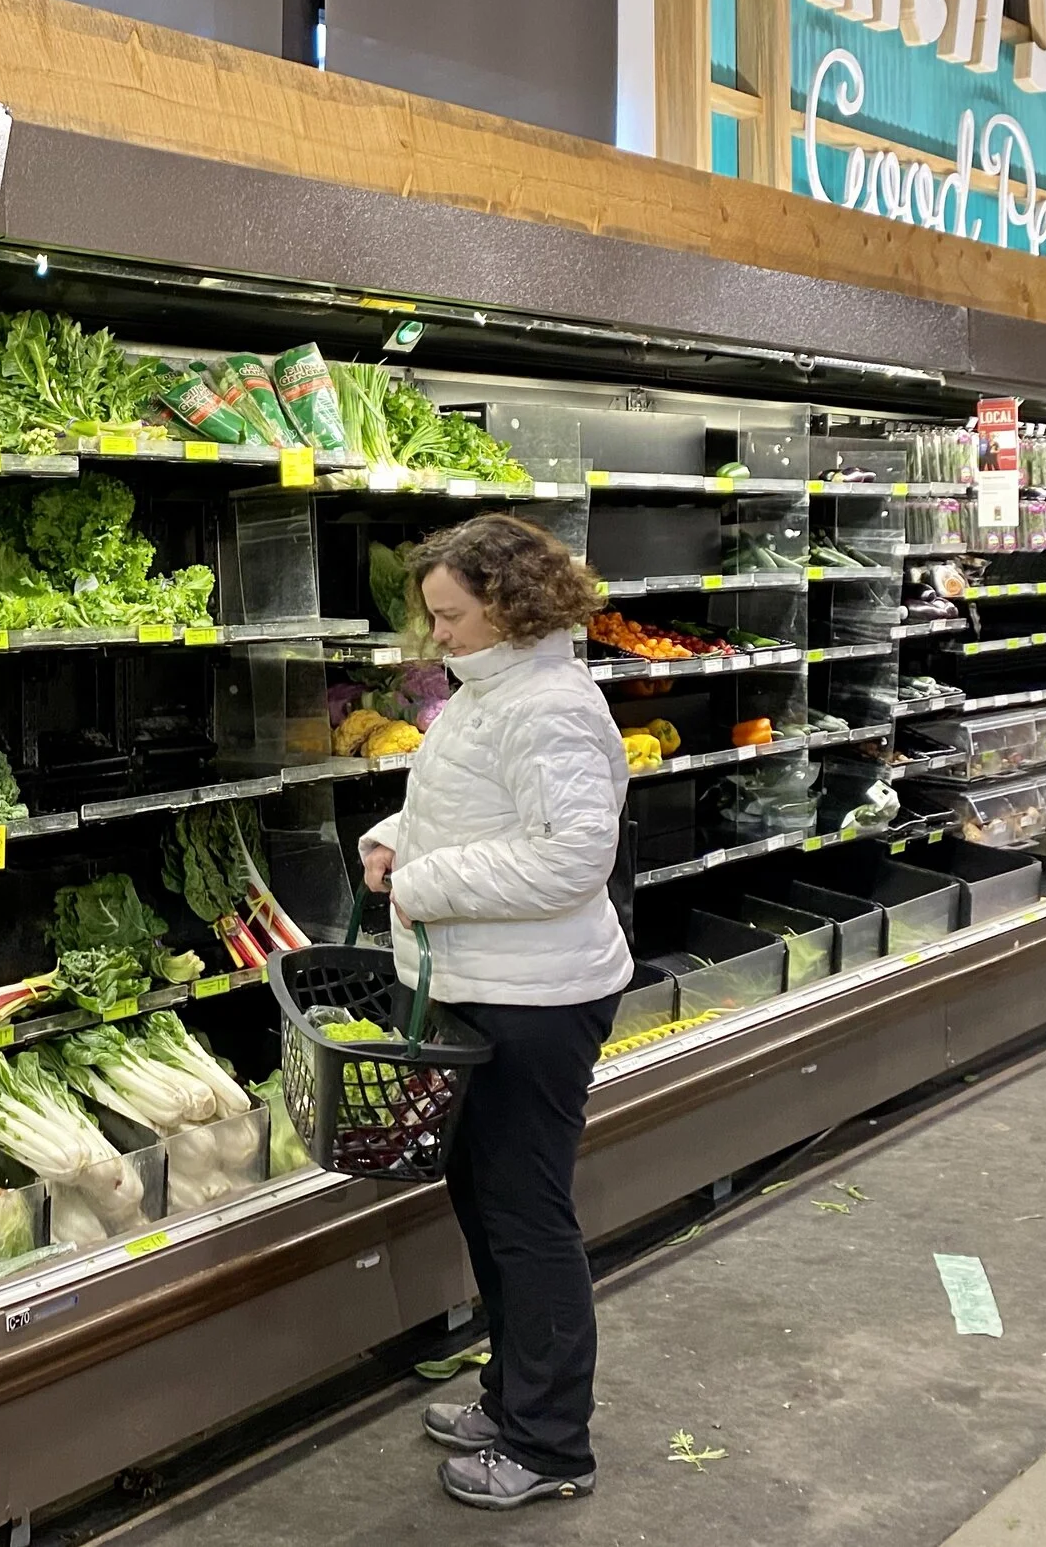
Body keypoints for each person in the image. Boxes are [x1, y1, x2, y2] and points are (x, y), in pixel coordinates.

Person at [356, 513, 632, 1511]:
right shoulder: (492, 691)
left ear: (509, 604)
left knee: (526, 1219)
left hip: (534, 998)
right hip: (485, 985)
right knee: (485, 1202)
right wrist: (394, 839)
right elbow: (470, 810)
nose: (437, 635)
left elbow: (569, 856)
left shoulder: (546, 705)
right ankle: (513, 1394)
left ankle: (550, 1445)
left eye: (451, 614)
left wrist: (422, 883)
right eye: (431, 616)